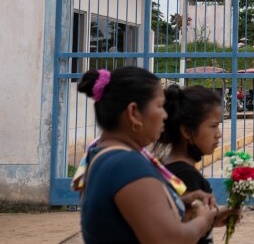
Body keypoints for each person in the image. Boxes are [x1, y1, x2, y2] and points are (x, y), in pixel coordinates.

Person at [73, 67, 217, 243]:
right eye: (159, 106)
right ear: (134, 113)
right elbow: (168, 240)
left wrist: (181, 203)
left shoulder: (102, 153)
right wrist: (204, 220)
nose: (165, 115)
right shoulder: (127, 164)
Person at [159, 85, 241, 244]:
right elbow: (184, 235)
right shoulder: (187, 177)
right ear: (187, 132)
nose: (219, 134)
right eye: (213, 126)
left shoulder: (165, 166)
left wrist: (214, 218)